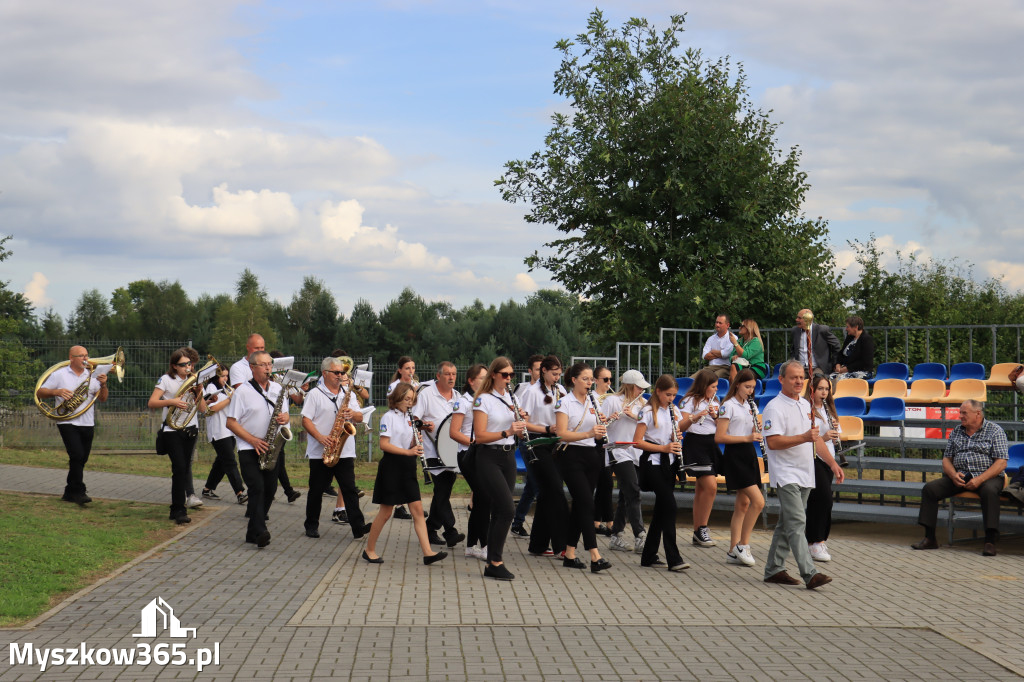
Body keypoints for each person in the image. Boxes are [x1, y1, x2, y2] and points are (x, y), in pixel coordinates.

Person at [762, 360, 842, 589]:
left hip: (806, 471)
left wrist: (832, 463)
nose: (798, 381)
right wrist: (804, 438)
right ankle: (810, 573)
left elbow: (815, 438)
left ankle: (773, 569)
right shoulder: (774, 407)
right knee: (797, 521)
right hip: (786, 473)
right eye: (793, 377)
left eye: (801, 377)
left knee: (787, 523)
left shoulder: (806, 406)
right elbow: (774, 442)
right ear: (781, 379)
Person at [362, 382, 448, 566]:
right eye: (407, 399)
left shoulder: (409, 418)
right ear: (397, 397)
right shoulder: (388, 417)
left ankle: (427, 552)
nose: (410, 403)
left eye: (412, 400)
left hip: (407, 467)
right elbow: (384, 445)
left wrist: (419, 436)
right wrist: (408, 451)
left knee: (417, 510)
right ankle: (369, 550)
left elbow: (407, 444)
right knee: (385, 513)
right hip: (391, 468)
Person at [911, 399, 1008, 556]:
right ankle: (930, 538)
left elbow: (1001, 463)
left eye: (964, 413)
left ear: (977, 414)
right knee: (930, 489)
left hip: (988, 476)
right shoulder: (957, 431)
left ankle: (990, 541)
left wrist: (980, 479)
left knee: (990, 492)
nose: (960, 416)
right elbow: (947, 459)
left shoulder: (995, 431)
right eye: (960, 412)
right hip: (961, 475)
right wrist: (953, 474)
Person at [300, 356, 371, 540]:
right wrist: (321, 438)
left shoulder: (347, 393)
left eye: (342, 372)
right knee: (316, 490)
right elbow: (305, 420)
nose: (340, 375)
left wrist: (353, 413)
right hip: (321, 451)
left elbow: (360, 418)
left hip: (344, 451)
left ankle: (359, 527)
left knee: (349, 489)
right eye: (337, 372)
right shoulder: (315, 394)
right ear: (325, 373)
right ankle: (311, 525)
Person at [225, 350, 291, 548]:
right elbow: (231, 423)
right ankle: (261, 531)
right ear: (252, 368)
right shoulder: (242, 392)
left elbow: (286, 415)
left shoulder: (278, 389)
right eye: (263, 365)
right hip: (249, 447)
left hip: (272, 446)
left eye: (269, 364)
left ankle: (251, 531)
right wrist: (253, 441)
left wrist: (285, 418)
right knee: (257, 488)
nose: (268, 368)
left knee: (270, 490)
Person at [472, 357, 530, 580]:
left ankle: (492, 562)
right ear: (494, 374)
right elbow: (480, 436)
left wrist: (520, 419)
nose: (508, 379)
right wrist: (508, 431)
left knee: (499, 511)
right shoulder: (483, 400)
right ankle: (495, 560)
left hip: (508, 457)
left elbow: (513, 425)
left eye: (511, 375)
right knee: (508, 509)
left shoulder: (509, 397)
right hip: (488, 456)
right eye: (504, 374)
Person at [553, 362, 612, 573]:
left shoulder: (594, 400)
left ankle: (569, 553)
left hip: (591, 455)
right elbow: (560, 434)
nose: (589, 383)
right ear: (574, 380)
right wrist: (589, 433)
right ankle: (595, 555)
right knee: (587, 503)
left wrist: (601, 423)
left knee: (580, 505)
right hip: (571, 455)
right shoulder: (564, 403)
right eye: (585, 379)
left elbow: (597, 428)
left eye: (591, 379)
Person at [36, 345, 109, 505]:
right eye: (81, 355)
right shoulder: (59, 374)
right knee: (76, 455)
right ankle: (79, 491)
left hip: (87, 422)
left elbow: (103, 398)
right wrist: (57, 392)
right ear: (71, 357)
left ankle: (70, 491)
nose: (85, 358)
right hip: (67, 421)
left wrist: (103, 384)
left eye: (86, 355)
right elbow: (40, 392)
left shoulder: (92, 376)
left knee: (82, 458)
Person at [632, 374, 689, 572]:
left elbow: (672, 435)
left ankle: (648, 555)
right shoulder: (647, 411)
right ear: (658, 391)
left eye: (674, 395)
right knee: (670, 506)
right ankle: (674, 558)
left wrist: (676, 436)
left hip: (669, 462)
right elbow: (637, 441)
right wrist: (663, 448)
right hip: (652, 461)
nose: (671, 398)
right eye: (668, 395)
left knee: (662, 510)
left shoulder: (674, 410)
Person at [148, 348, 208, 525]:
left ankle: (176, 508)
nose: (188, 367)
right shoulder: (166, 380)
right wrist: (172, 401)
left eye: (189, 364)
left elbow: (203, 409)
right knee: (180, 468)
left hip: (190, 429)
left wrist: (199, 391)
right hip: (172, 430)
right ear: (174, 366)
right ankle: (179, 509)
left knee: (182, 470)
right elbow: (152, 402)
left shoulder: (194, 380)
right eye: (183, 365)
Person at [715, 369, 766, 567]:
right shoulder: (728, 406)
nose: (750, 391)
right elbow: (719, 437)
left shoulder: (750, 406)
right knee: (759, 502)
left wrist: (754, 431)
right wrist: (747, 437)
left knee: (742, 505)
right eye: (747, 387)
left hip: (749, 455)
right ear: (737, 385)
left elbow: (749, 432)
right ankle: (743, 545)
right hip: (735, 456)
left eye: (753, 388)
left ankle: (732, 551)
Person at [519, 354, 568, 558]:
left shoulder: (561, 390)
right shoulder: (531, 392)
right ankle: (562, 545)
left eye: (559, 374)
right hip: (537, 443)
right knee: (556, 490)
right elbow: (523, 422)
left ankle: (538, 544)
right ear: (544, 371)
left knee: (547, 493)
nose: (557, 377)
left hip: (555, 445)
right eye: (554, 374)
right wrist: (547, 428)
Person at [413, 361, 466, 549]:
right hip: (431, 450)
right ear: (438, 376)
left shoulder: (458, 396)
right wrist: (425, 425)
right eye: (447, 374)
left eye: (454, 374)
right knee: (442, 489)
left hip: (452, 450)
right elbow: (414, 419)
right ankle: (450, 531)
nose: (451, 377)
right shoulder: (427, 394)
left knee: (443, 491)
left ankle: (431, 527)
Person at [602, 369, 650, 555]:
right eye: (639, 387)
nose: (641, 391)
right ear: (630, 386)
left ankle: (616, 536)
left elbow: (647, 424)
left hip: (636, 452)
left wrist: (633, 415)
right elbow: (600, 423)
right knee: (633, 491)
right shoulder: (612, 400)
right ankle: (640, 535)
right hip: (618, 451)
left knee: (626, 494)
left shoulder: (643, 404)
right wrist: (610, 418)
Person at [678, 369, 721, 548]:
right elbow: (681, 425)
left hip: (710, 443)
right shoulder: (689, 401)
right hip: (695, 443)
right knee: (711, 487)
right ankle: (702, 527)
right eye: (713, 387)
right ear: (704, 386)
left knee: (702, 490)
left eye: (717, 387)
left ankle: (698, 530)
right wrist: (695, 417)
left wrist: (714, 416)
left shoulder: (716, 401)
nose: (715, 391)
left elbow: (722, 426)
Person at [450, 363, 489, 559]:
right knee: (484, 498)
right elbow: (454, 432)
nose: (486, 381)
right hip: (468, 454)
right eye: (482, 378)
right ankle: (485, 545)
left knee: (482, 499)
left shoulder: (486, 400)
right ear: (471, 381)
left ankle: (472, 545)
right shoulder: (463, 402)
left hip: (483, 454)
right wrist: (474, 441)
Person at [804, 374, 843, 562]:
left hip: (829, 459)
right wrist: (825, 437)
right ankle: (816, 541)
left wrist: (835, 433)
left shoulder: (829, 409)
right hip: (814, 459)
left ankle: (815, 540)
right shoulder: (807, 410)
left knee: (820, 501)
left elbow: (838, 433)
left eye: (827, 389)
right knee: (823, 499)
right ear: (812, 390)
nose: (824, 393)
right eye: (820, 389)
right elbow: (812, 438)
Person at [200, 365, 247, 505]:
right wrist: (230, 399)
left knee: (221, 462)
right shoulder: (211, 388)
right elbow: (211, 409)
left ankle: (207, 489)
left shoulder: (228, 390)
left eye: (226, 376)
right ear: (215, 376)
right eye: (222, 376)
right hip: (218, 430)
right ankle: (240, 492)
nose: (225, 378)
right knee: (230, 461)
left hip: (230, 430)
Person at [510, 354, 544, 537]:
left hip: (545, 440)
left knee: (532, 485)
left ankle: (517, 522)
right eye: (538, 369)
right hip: (528, 440)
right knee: (537, 484)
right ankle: (536, 527)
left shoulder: (555, 390)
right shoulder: (524, 390)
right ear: (530, 371)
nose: (541, 372)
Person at [268, 350, 301, 505]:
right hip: (272, 426)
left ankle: (280, 491)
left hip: (284, 425)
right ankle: (285, 491)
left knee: (278, 459)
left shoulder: (283, 379)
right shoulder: (268, 380)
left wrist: (301, 385)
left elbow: (297, 399)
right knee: (277, 459)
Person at [387, 356, 419, 520]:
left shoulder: (415, 385)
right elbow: (392, 406)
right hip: (398, 427)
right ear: (400, 370)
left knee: (409, 471)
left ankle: (411, 505)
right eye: (407, 368)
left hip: (410, 422)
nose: (411, 371)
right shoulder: (394, 386)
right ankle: (399, 506)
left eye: (413, 368)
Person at [591, 365, 615, 537]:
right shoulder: (591, 397)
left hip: (608, 441)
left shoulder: (612, 399)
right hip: (594, 442)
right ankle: (605, 522)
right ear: (596, 380)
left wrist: (613, 418)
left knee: (606, 483)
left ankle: (599, 522)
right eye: (605, 379)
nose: (608, 383)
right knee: (602, 482)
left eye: (610, 379)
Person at [790, 309, 840, 377]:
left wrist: (834, 363)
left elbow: (836, 345)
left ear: (808, 319)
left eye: (799, 318)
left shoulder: (822, 330)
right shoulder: (795, 331)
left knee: (817, 380)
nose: (796, 320)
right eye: (797, 317)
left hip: (818, 368)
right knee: (795, 380)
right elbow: (793, 349)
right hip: (800, 368)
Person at [831, 316, 876, 380]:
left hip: (862, 371)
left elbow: (865, 361)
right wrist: (838, 364)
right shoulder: (850, 337)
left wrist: (847, 369)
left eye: (847, 327)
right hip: (846, 370)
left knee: (840, 379)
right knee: (829, 378)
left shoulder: (866, 339)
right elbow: (841, 353)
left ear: (856, 327)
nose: (846, 329)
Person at [699, 314, 735, 379]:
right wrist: (721, 353)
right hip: (710, 368)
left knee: (712, 378)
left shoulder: (733, 338)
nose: (717, 325)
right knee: (693, 378)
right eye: (716, 322)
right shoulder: (711, 338)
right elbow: (704, 356)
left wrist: (712, 352)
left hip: (725, 368)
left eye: (720, 323)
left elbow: (726, 354)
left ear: (727, 325)